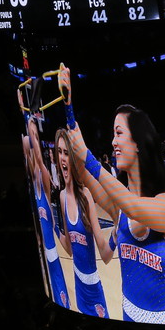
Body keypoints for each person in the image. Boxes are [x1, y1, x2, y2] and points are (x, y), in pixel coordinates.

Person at [59, 65, 165, 324]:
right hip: (127, 316)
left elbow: (133, 207)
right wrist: (69, 110)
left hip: (163, 326)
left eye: (118, 133)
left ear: (138, 143)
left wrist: (89, 157)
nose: (113, 142)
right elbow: (86, 177)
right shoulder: (119, 210)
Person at [54, 128, 112, 318]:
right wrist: (50, 227)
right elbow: (69, 249)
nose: (63, 158)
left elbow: (104, 254)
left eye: (67, 153)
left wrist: (118, 234)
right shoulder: (61, 197)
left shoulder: (86, 195)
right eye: (59, 152)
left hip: (93, 287)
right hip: (78, 284)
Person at [19, 101, 70, 310]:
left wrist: (31, 128)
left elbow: (37, 159)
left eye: (36, 137)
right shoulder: (30, 175)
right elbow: (25, 144)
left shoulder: (44, 176)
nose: (33, 140)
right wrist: (26, 118)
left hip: (52, 255)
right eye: (33, 137)